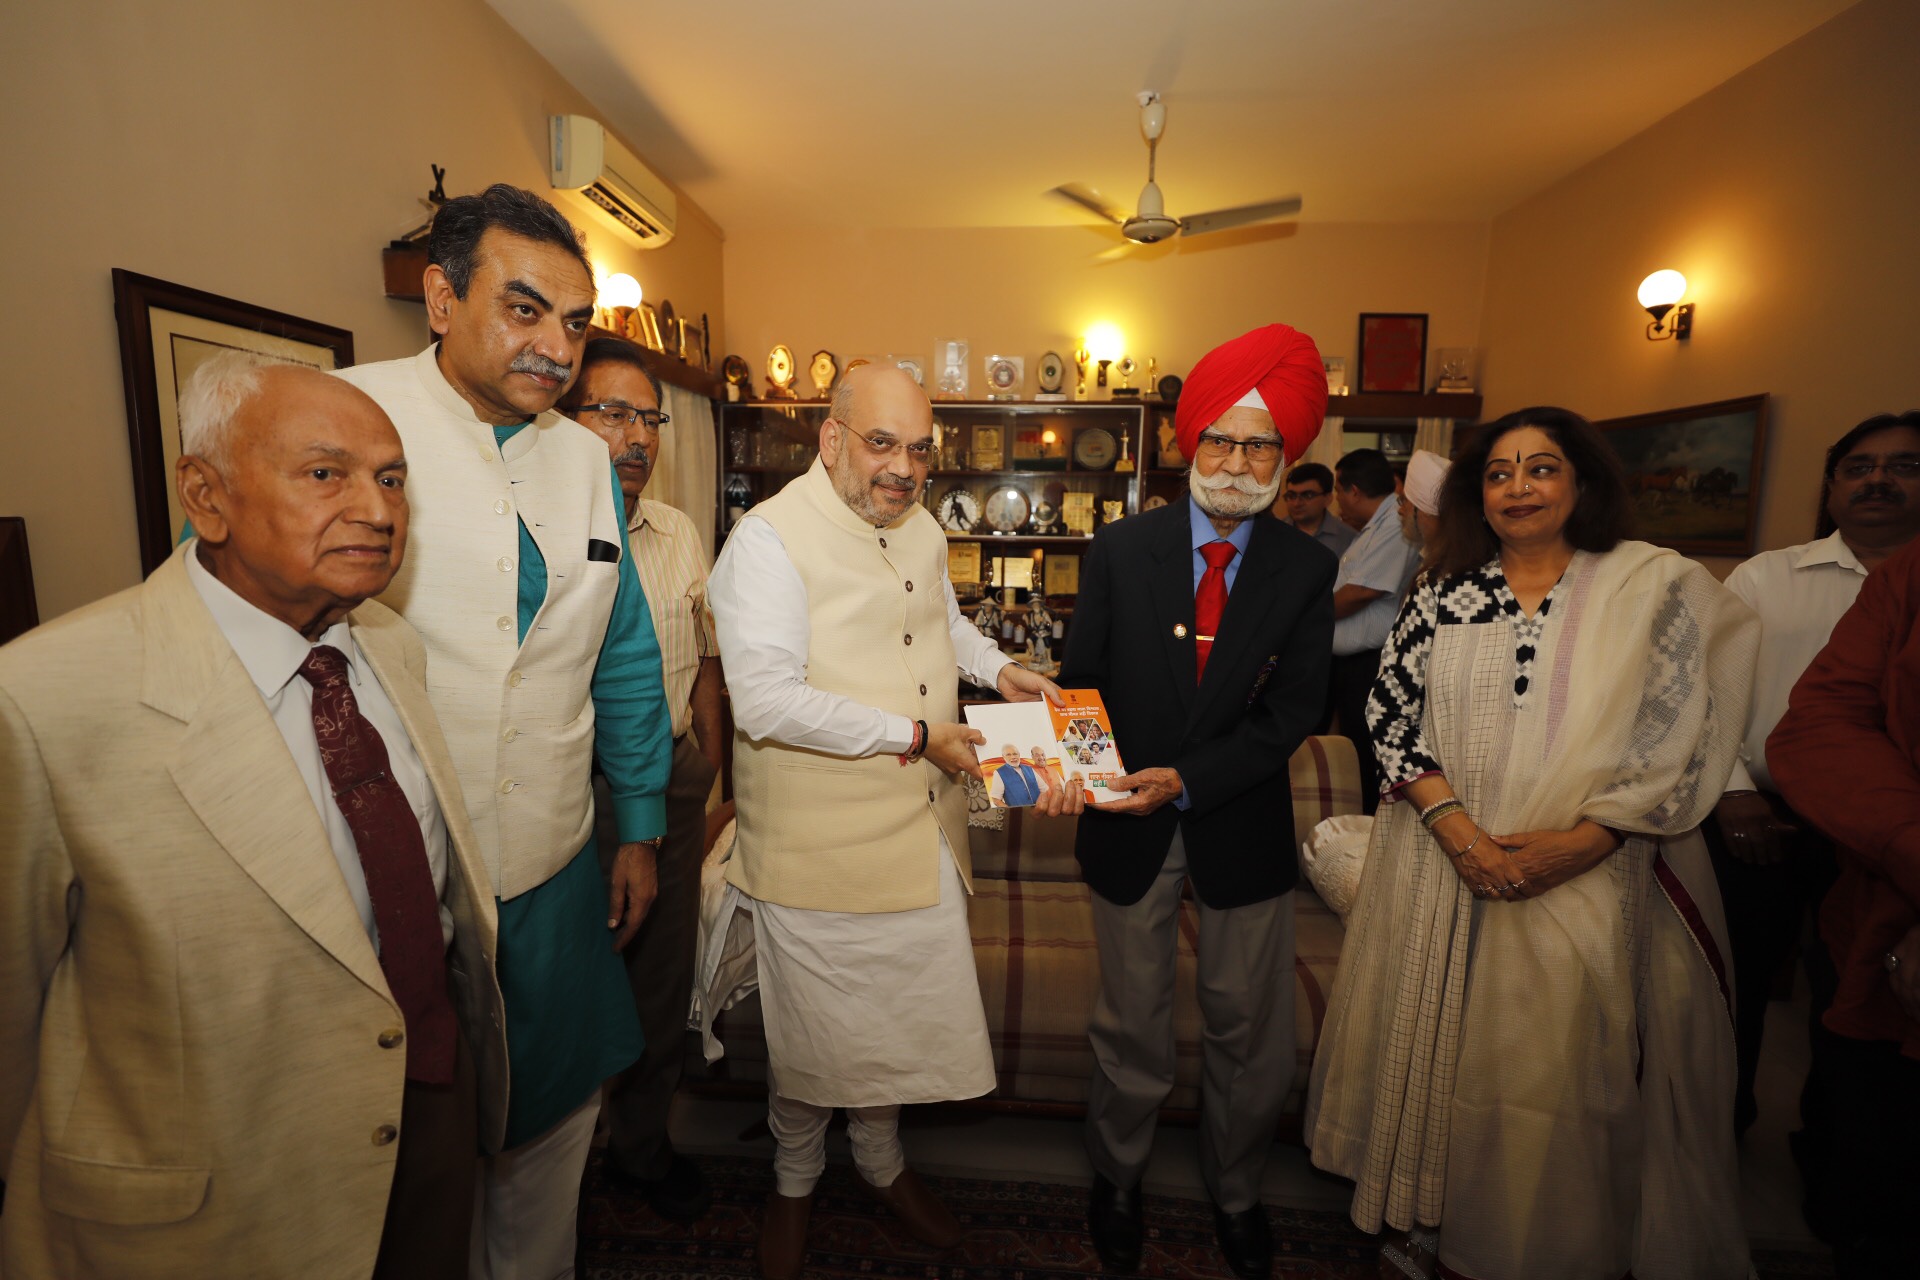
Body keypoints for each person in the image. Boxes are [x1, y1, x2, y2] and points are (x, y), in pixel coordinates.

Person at [0, 355, 508, 1279]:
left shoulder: (386, 643)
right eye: (326, 474)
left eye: (390, 477)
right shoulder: (41, 697)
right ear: (206, 495)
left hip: (427, 1124)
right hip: (214, 1202)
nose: (379, 508)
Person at [1306, 407, 1758, 1280]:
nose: (1519, 487)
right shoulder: (1449, 588)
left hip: (1600, 865)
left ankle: (1548, 1242)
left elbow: (1686, 723)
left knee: (1556, 1067)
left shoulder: (1648, 585)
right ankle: (1431, 1218)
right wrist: (1463, 837)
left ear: (1581, 483)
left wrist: (1585, 842)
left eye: (1542, 468)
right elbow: (1391, 718)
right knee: (1444, 1040)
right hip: (1445, 865)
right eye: (1500, 472)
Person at [334, 184, 672, 1279]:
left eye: (573, 322)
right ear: (440, 296)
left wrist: (638, 825)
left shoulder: (581, 458)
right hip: (397, 874)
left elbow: (619, 647)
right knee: (408, 1155)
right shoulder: (345, 421)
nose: (555, 346)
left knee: (552, 1129)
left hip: (556, 861)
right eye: (525, 309)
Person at [708, 364, 1078, 1279]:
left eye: (919, 450)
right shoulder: (766, 542)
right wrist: (917, 735)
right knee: (817, 1041)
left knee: (894, 1036)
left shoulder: (915, 528)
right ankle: (794, 1184)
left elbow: (943, 623)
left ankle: (880, 1164)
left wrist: (1003, 674)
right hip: (817, 849)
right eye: (883, 444)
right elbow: (765, 704)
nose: (905, 470)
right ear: (831, 439)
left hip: (921, 839)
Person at [1061, 323, 1336, 1280]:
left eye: (1260, 444)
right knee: (1130, 1024)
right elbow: (1080, 683)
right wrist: (1090, 778)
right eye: (1220, 438)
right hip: (1126, 825)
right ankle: (1120, 1178)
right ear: (1189, 444)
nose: (1237, 460)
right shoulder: (1117, 549)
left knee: (1247, 1030)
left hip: (1241, 821)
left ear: (1286, 456)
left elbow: (1298, 707)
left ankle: (1237, 1190)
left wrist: (1195, 778)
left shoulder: (1307, 570)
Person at [1710, 412, 1920, 1134]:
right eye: (1859, 467)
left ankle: (1832, 1150)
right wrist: (1734, 792)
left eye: (1904, 466)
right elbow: (1702, 692)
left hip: (1887, 840)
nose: (1880, 480)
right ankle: (1719, 1129)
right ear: (1831, 486)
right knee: (1730, 986)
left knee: (1859, 993)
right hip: (1760, 822)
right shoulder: (1769, 577)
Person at [560, 336, 725, 1219]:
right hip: (570, 791)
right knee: (573, 975)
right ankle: (556, 1167)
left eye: (648, 418)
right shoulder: (539, 536)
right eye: (612, 413)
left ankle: (643, 1149)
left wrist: (714, 776)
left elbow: (705, 665)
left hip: (675, 781)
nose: (637, 437)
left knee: (663, 975)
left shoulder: (679, 532)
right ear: (564, 419)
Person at [1768, 534, 1920, 1279]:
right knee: (1878, 1170)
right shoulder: (1907, 579)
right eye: (1861, 466)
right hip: (1881, 889)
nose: (1881, 481)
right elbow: (1824, 726)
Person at [1328, 448, 1421, 813]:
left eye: (1338, 491)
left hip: (1371, 663)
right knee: (1352, 749)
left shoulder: (1396, 526)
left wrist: (1306, 615)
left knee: (1367, 758)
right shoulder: (1375, 526)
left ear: (1352, 490)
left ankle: (1368, 823)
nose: (1338, 501)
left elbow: (1364, 591)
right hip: (1352, 664)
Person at [1277, 461, 1357, 558]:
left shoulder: (1348, 538)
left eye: (1308, 495)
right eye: (1291, 495)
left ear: (1328, 499)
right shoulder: (1276, 533)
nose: (1297, 503)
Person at [1396, 448, 1448, 553]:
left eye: (1404, 500)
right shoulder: (1433, 553)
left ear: (1423, 508)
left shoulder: (1450, 562)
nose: (1400, 510)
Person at [989, 742, 1043, 806]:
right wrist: (1012, 811)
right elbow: (996, 800)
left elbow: (1044, 789)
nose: (1013, 757)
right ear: (1003, 757)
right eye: (1008, 755)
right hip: (1020, 813)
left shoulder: (1029, 769)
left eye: (1015, 754)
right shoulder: (999, 773)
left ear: (1019, 755)